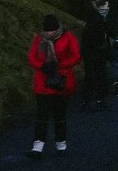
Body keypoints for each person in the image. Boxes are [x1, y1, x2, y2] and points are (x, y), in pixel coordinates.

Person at [28, 13, 81, 156]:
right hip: (43, 84)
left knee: (59, 116)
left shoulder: (68, 37)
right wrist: (43, 66)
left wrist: (59, 65)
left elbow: (76, 56)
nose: (49, 33)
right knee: (42, 116)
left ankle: (61, 144)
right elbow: (31, 57)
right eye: (47, 30)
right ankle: (37, 147)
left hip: (61, 83)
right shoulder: (39, 38)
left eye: (52, 30)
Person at [80, 0, 112, 111]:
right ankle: (96, 100)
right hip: (95, 53)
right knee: (97, 77)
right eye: (106, 6)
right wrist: (101, 47)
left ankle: (90, 100)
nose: (108, 8)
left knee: (92, 77)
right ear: (101, 7)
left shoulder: (94, 19)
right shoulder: (97, 21)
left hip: (93, 53)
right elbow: (96, 38)